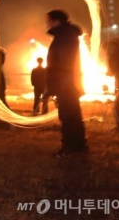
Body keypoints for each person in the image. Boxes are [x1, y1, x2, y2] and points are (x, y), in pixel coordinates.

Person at [45, 9, 88, 157]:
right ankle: (79, 146)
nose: (47, 24)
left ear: (57, 21)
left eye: (49, 20)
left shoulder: (64, 37)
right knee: (73, 115)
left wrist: (55, 85)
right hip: (68, 83)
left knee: (68, 116)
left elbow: (62, 64)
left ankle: (70, 148)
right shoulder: (67, 35)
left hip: (65, 84)